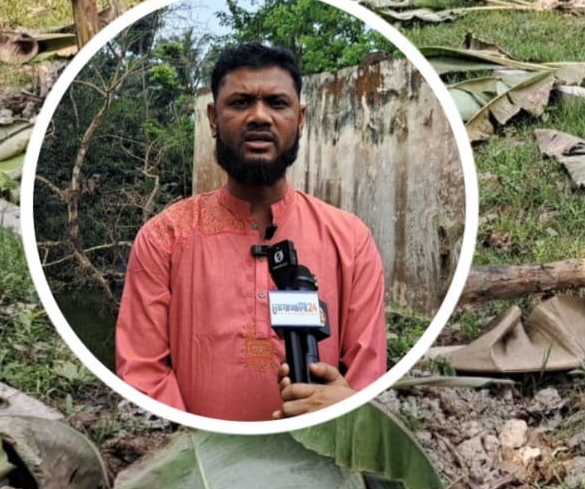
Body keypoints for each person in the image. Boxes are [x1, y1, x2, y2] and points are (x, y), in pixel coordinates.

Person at [115, 42, 388, 422]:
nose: (259, 117)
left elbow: (368, 374)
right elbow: (143, 371)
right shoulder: (165, 238)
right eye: (241, 103)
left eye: (277, 103)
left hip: (318, 465)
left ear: (301, 118)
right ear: (213, 118)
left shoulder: (350, 240)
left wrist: (345, 408)